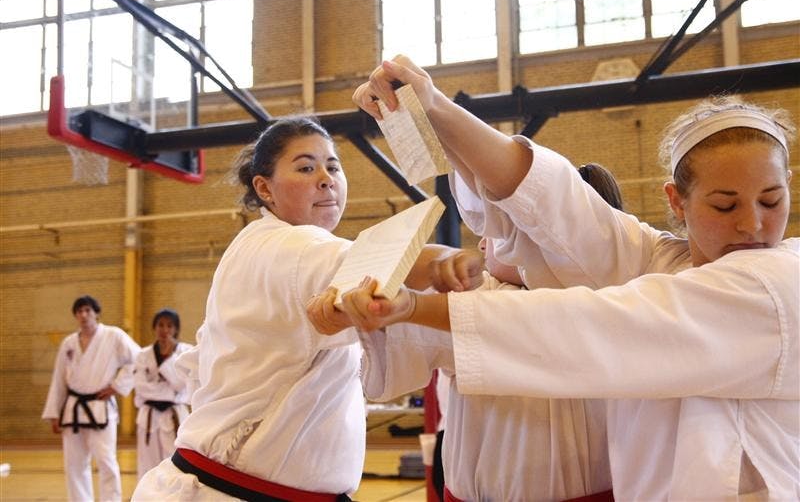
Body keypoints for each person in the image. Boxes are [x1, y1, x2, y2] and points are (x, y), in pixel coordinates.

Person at [330, 57, 798, 500]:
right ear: (677, 202)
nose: (752, 225)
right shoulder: (656, 259)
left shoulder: (779, 284)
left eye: (772, 201)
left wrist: (419, 307)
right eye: (724, 205)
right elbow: (552, 200)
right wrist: (435, 108)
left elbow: (594, 322)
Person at [132, 116, 473, 501]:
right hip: (233, 490)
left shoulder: (271, 245)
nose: (326, 178)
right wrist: (446, 263)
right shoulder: (285, 247)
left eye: (333, 166)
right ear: (265, 188)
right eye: (306, 168)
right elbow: (379, 264)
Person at [313, 168, 625, 501]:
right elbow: (403, 330)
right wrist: (356, 304)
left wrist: (403, 303)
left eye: (502, 230)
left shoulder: (602, 302)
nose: (482, 241)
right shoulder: (481, 291)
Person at [42, 295, 141, 502]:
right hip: (73, 409)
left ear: (96, 313)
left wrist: (116, 386)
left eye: (87, 310)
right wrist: (54, 413)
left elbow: (139, 360)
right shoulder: (68, 343)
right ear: (75, 316)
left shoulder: (114, 336)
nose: (83, 315)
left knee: (106, 461)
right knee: (75, 465)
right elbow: (59, 380)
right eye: (79, 311)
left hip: (100, 406)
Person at [133, 308, 192, 479]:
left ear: (176, 329)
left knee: (176, 464)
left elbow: (183, 385)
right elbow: (141, 387)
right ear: (154, 327)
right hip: (149, 416)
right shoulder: (143, 355)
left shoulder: (185, 352)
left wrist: (168, 363)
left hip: (175, 415)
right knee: (147, 465)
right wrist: (170, 389)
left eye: (169, 325)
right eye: (160, 325)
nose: (164, 330)